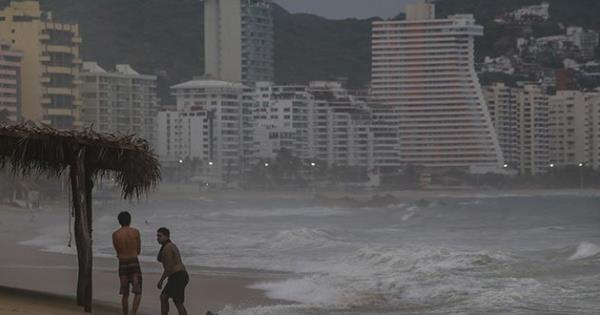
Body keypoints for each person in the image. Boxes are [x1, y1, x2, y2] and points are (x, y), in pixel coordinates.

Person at [112, 211, 142, 315]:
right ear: (130, 220)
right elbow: (138, 250)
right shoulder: (135, 232)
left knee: (125, 293)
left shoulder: (115, 234)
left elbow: (117, 251)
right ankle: (133, 313)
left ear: (119, 221)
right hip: (133, 261)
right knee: (138, 291)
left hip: (122, 262)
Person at [157, 227, 189, 315]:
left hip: (178, 276)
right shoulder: (168, 246)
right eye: (157, 236)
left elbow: (168, 268)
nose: (158, 238)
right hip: (177, 276)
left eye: (160, 236)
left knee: (177, 301)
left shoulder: (168, 247)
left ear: (167, 236)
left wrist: (161, 281)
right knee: (164, 297)